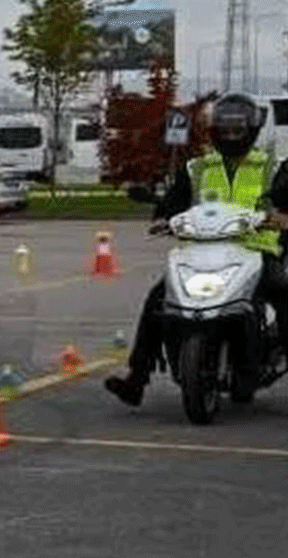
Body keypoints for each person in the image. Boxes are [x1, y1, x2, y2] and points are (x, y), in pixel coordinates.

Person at [104, 92, 288, 406]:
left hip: (256, 251)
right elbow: (172, 202)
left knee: (285, 298)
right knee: (157, 300)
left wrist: (281, 217)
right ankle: (136, 378)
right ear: (214, 130)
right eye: (225, 129)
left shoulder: (272, 167)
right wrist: (162, 217)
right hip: (201, 253)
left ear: (252, 130)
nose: (231, 136)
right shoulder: (197, 168)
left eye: (237, 129)